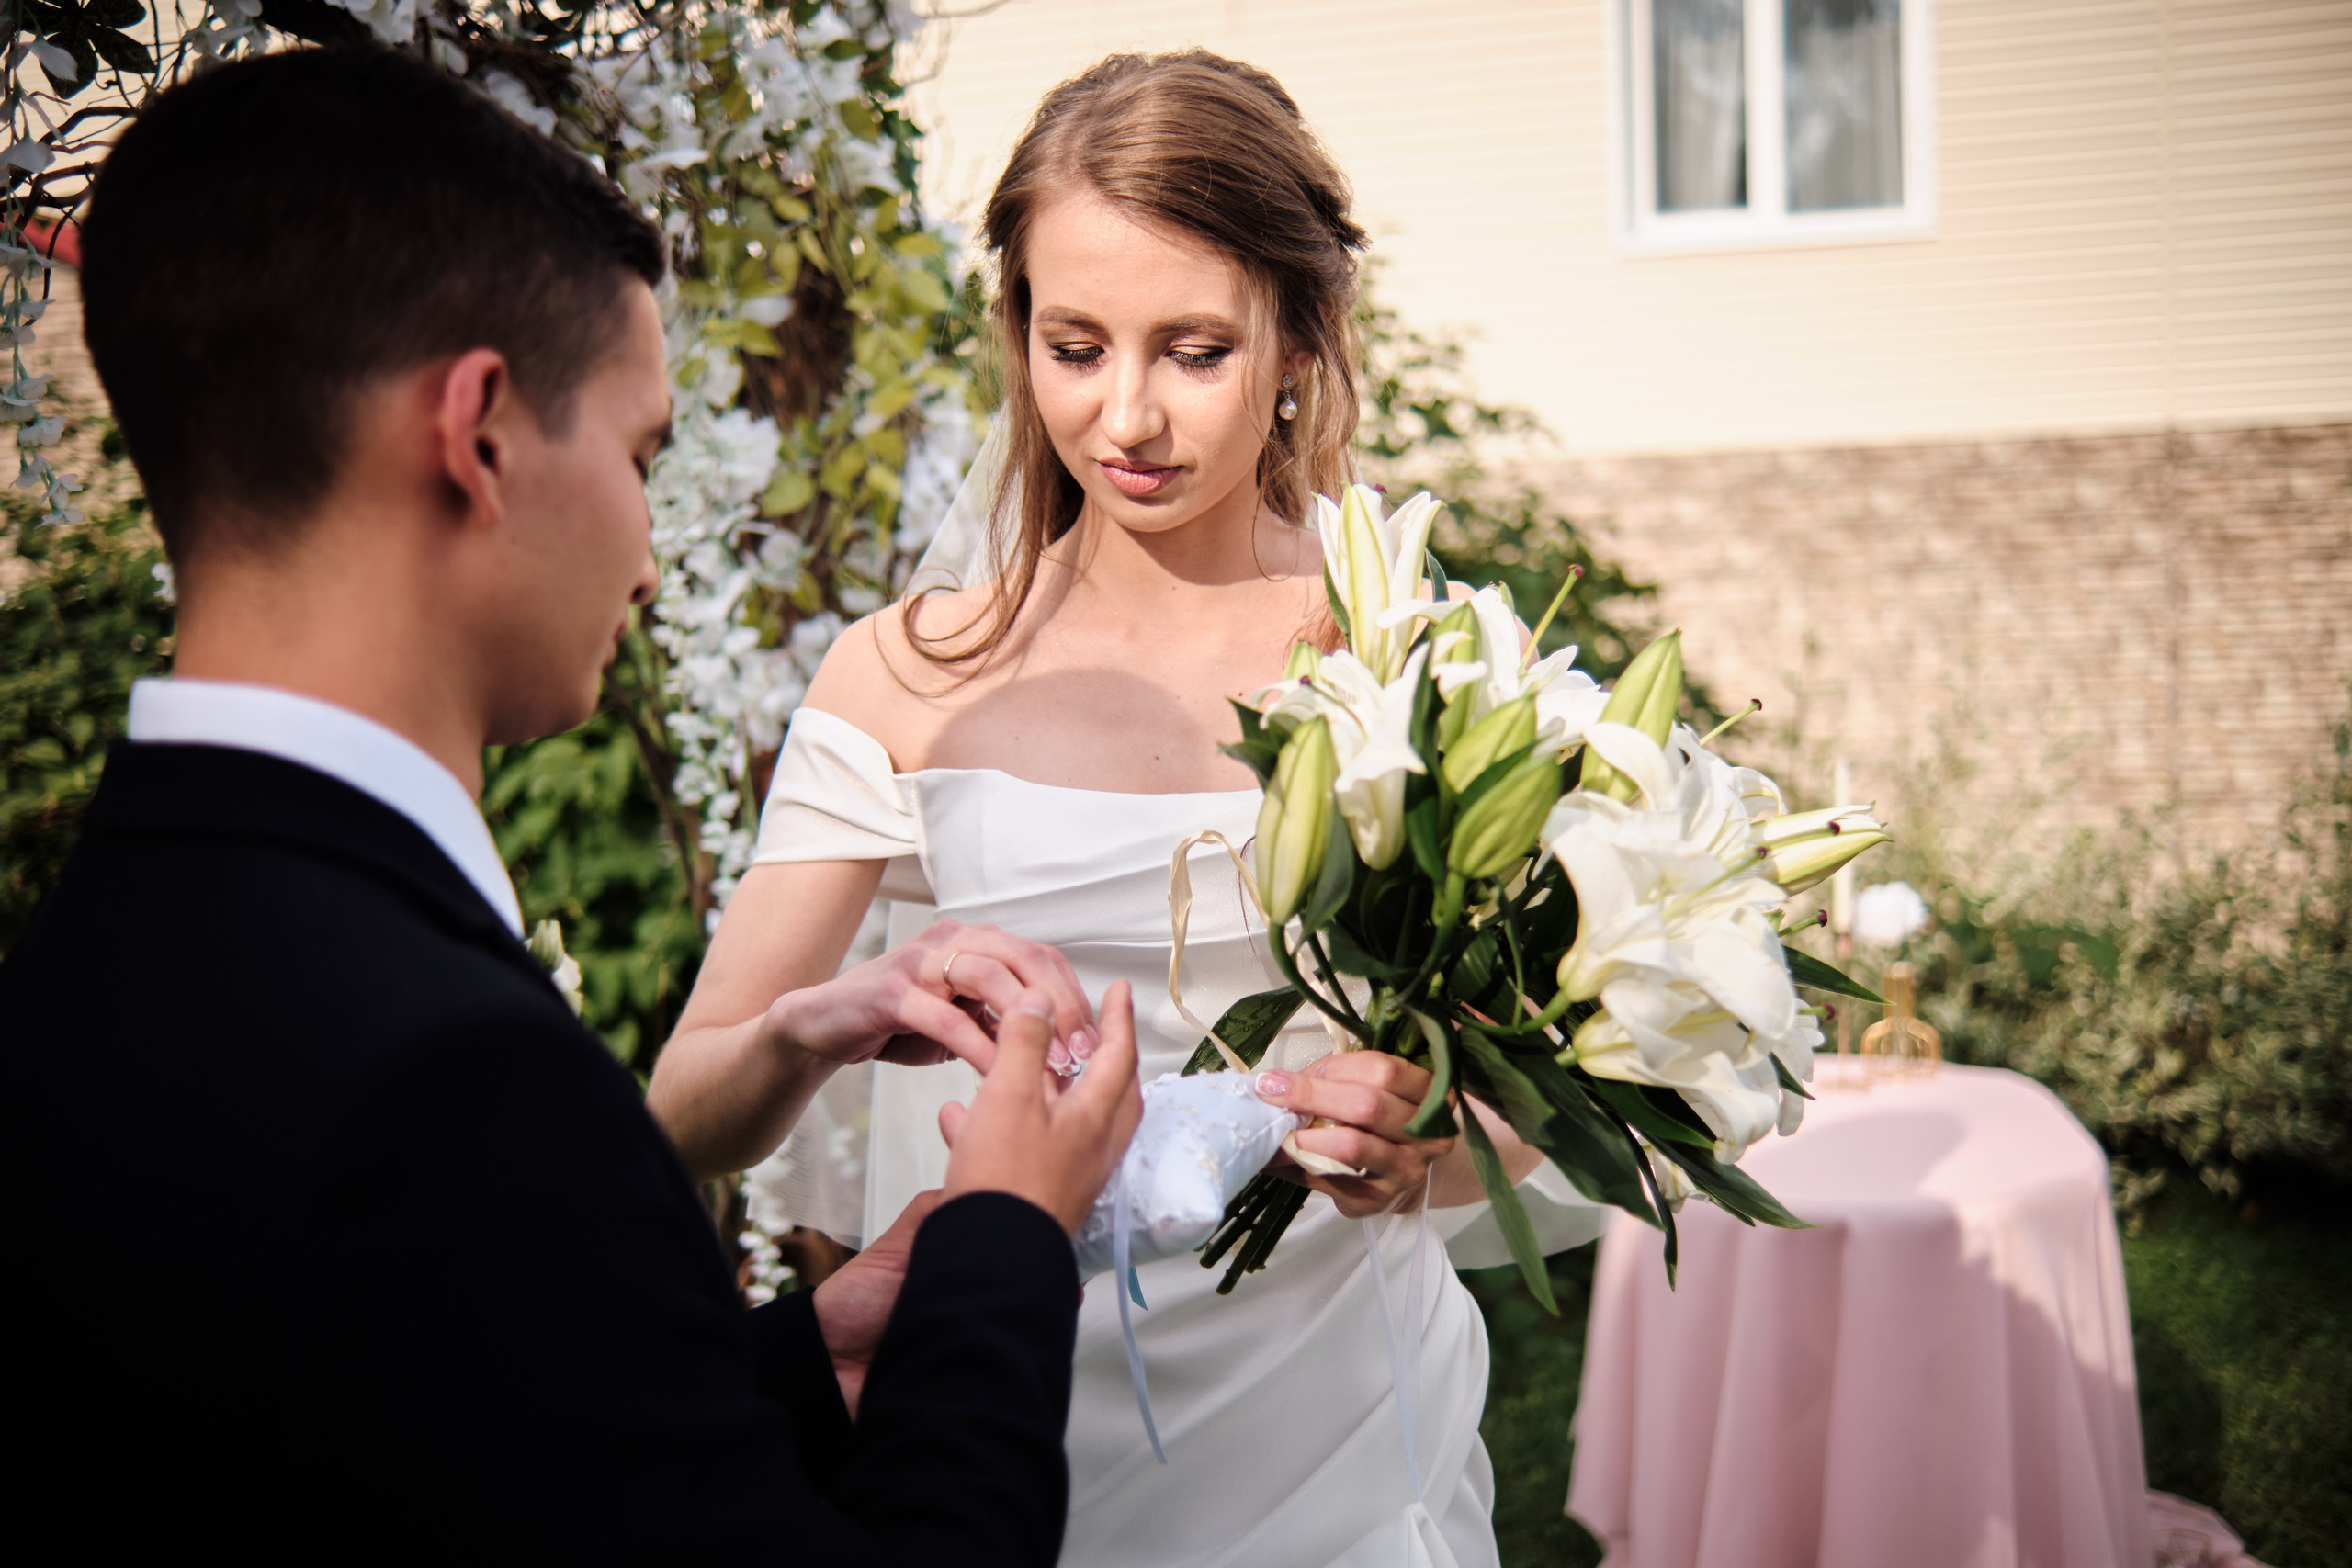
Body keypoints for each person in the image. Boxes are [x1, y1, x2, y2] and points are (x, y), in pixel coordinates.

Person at [0, 47, 1141, 1563]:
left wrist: (811, 1358)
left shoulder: (88, 966)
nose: (654, 556)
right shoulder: (452, 1078)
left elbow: (418, 1438)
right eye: (637, 452)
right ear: (477, 435)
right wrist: (1008, 1241)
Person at [650, 51, 1607, 1568]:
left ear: (1300, 340)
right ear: (1018, 333)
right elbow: (685, 1105)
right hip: (994, 1395)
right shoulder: (905, 678)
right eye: (1075, 343)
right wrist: (824, 1015)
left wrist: (1447, 1132)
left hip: (1339, 1427)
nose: (1129, 416)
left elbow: (1558, 1078)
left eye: (1195, 350)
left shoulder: (1416, 650)